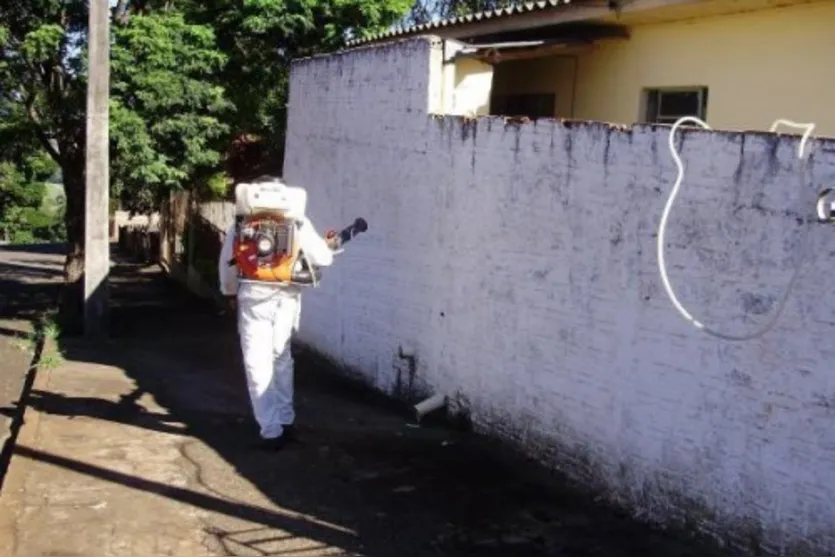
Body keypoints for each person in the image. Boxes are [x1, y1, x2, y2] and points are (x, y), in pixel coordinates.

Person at [218, 179, 335, 450]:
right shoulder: (296, 220)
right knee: (280, 356)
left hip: (253, 296)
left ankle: (271, 430)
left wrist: (229, 292)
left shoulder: (241, 222)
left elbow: (227, 264)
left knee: (257, 363)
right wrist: (326, 247)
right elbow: (322, 258)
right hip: (288, 294)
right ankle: (286, 418)